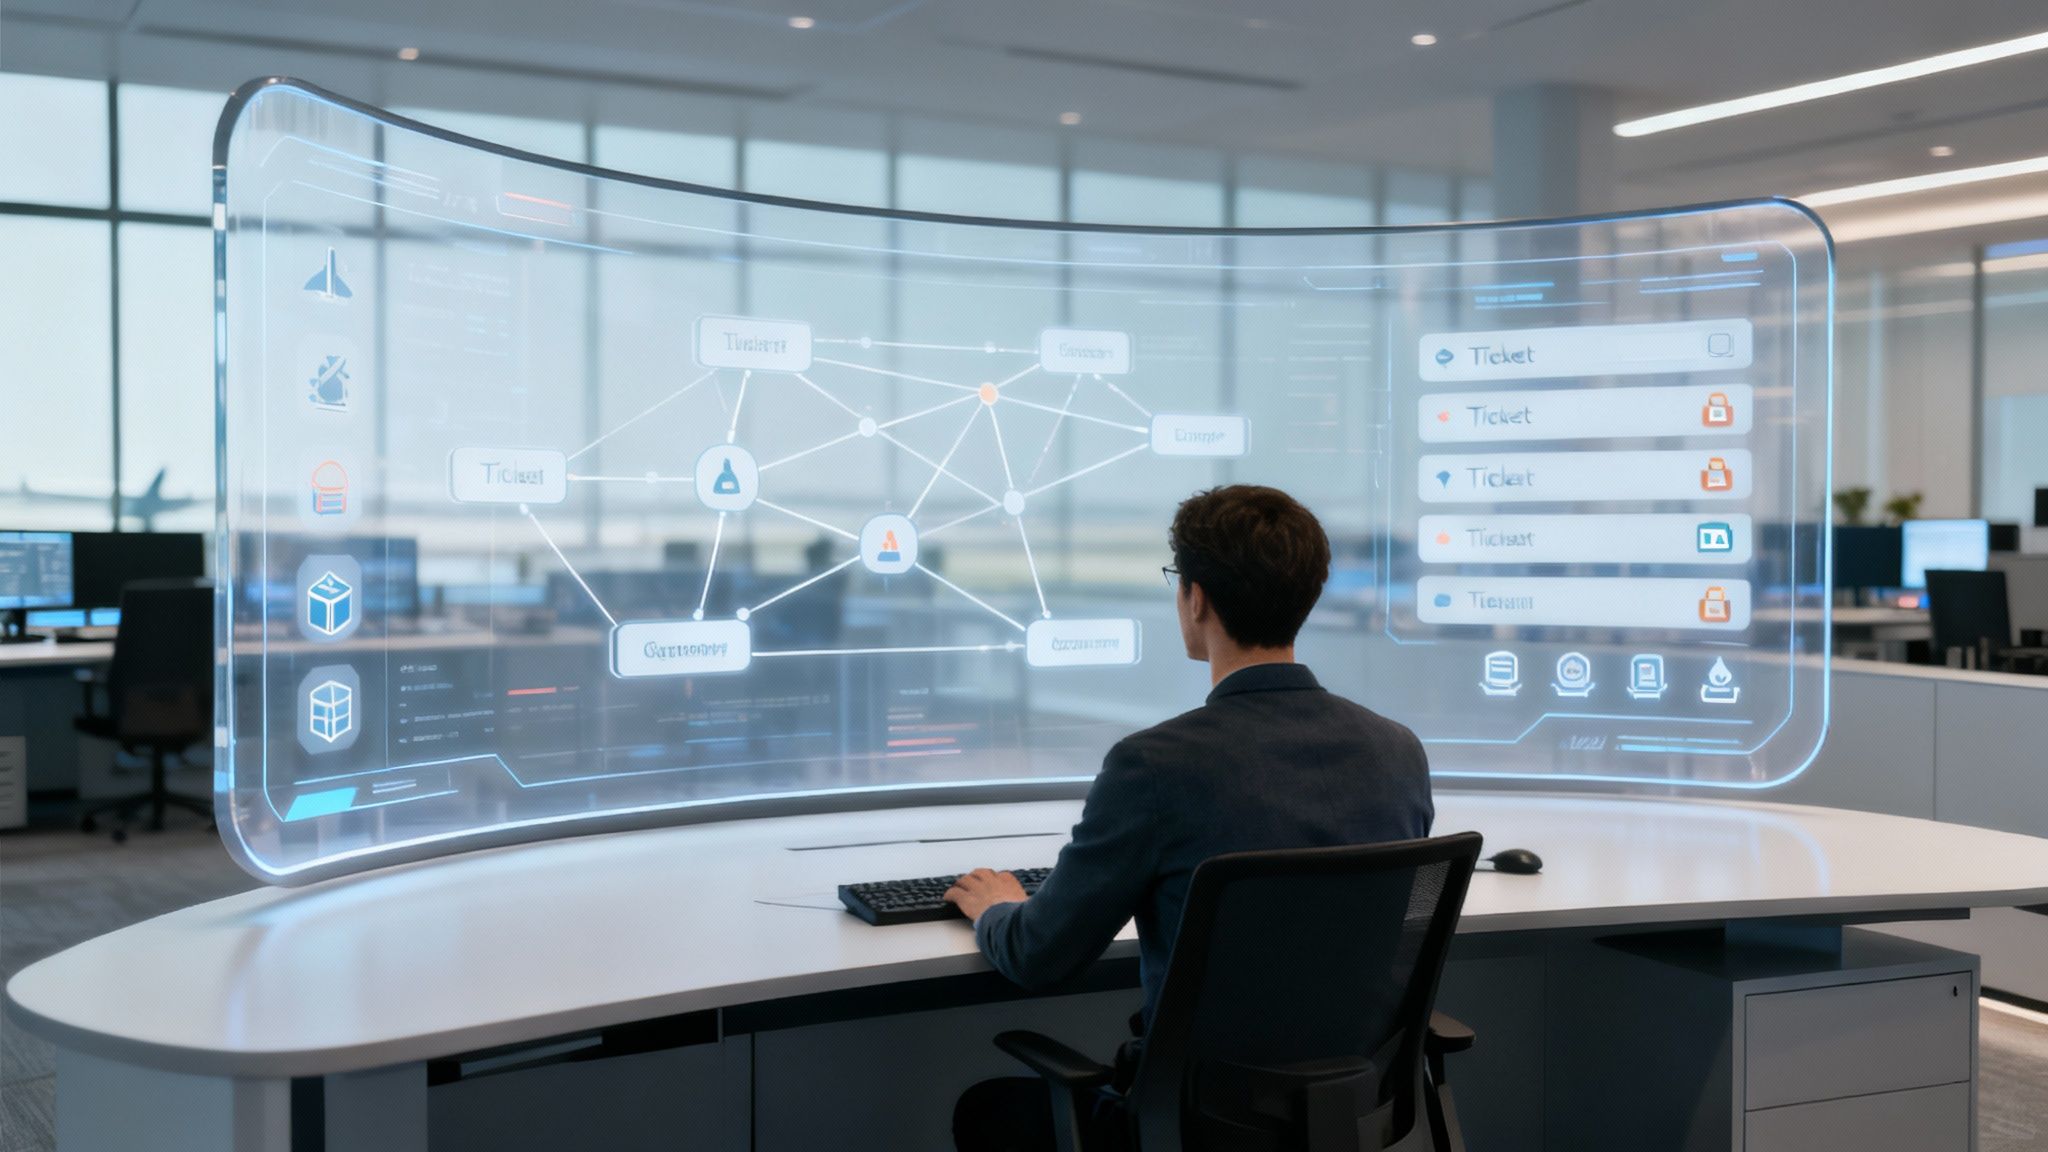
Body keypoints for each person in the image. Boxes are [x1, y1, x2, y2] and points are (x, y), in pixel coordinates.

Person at [945, 484, 1434, 1152]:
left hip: (1193, 1125)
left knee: (989, 1111)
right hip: (1346, 1110)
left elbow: (1040, 956)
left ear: (1195, 598)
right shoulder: (1397, 751)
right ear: (1306, 597)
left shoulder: (1154, 766)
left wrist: (999, 908)